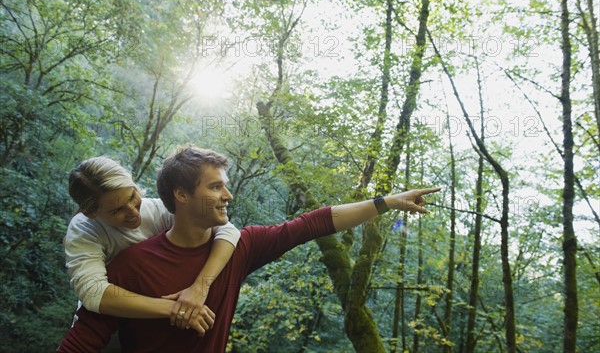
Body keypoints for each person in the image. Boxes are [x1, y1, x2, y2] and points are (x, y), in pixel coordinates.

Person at [57, 145, 440, 352]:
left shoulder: (239, 246)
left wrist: (386, 202)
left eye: (225, 184)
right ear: (181, 195)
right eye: (215, 187)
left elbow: (314, 222)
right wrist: (177, 307)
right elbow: (85, 334)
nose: (229, 194)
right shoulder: (127, 265)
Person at [64, 156, 241, 333]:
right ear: (90, 213)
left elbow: (228, 230)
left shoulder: (155, 210)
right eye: (118, 210)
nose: (133, 211)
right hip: (106, 331)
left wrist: (200, 287)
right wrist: (177, 308)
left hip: (151, 328)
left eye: (132, 196)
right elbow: (93, 292)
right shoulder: (84, 230)